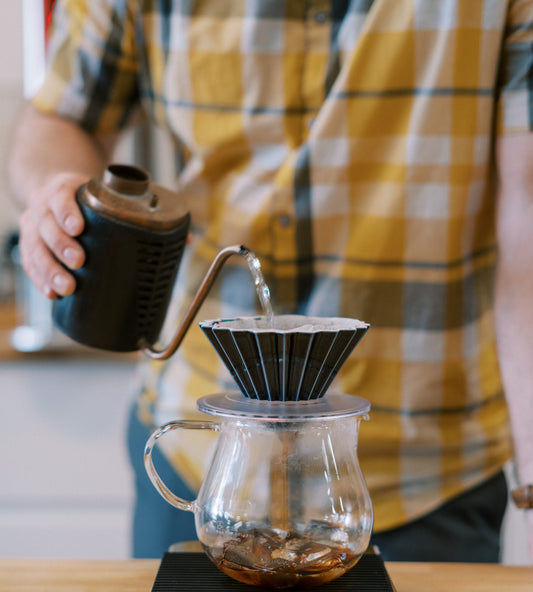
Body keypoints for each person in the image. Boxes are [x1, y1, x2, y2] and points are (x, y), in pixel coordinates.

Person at [7, 0, 533, 563]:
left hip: (424, 475)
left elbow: (526, 225)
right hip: (202, 464)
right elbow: (59, 120)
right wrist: (58, 192)